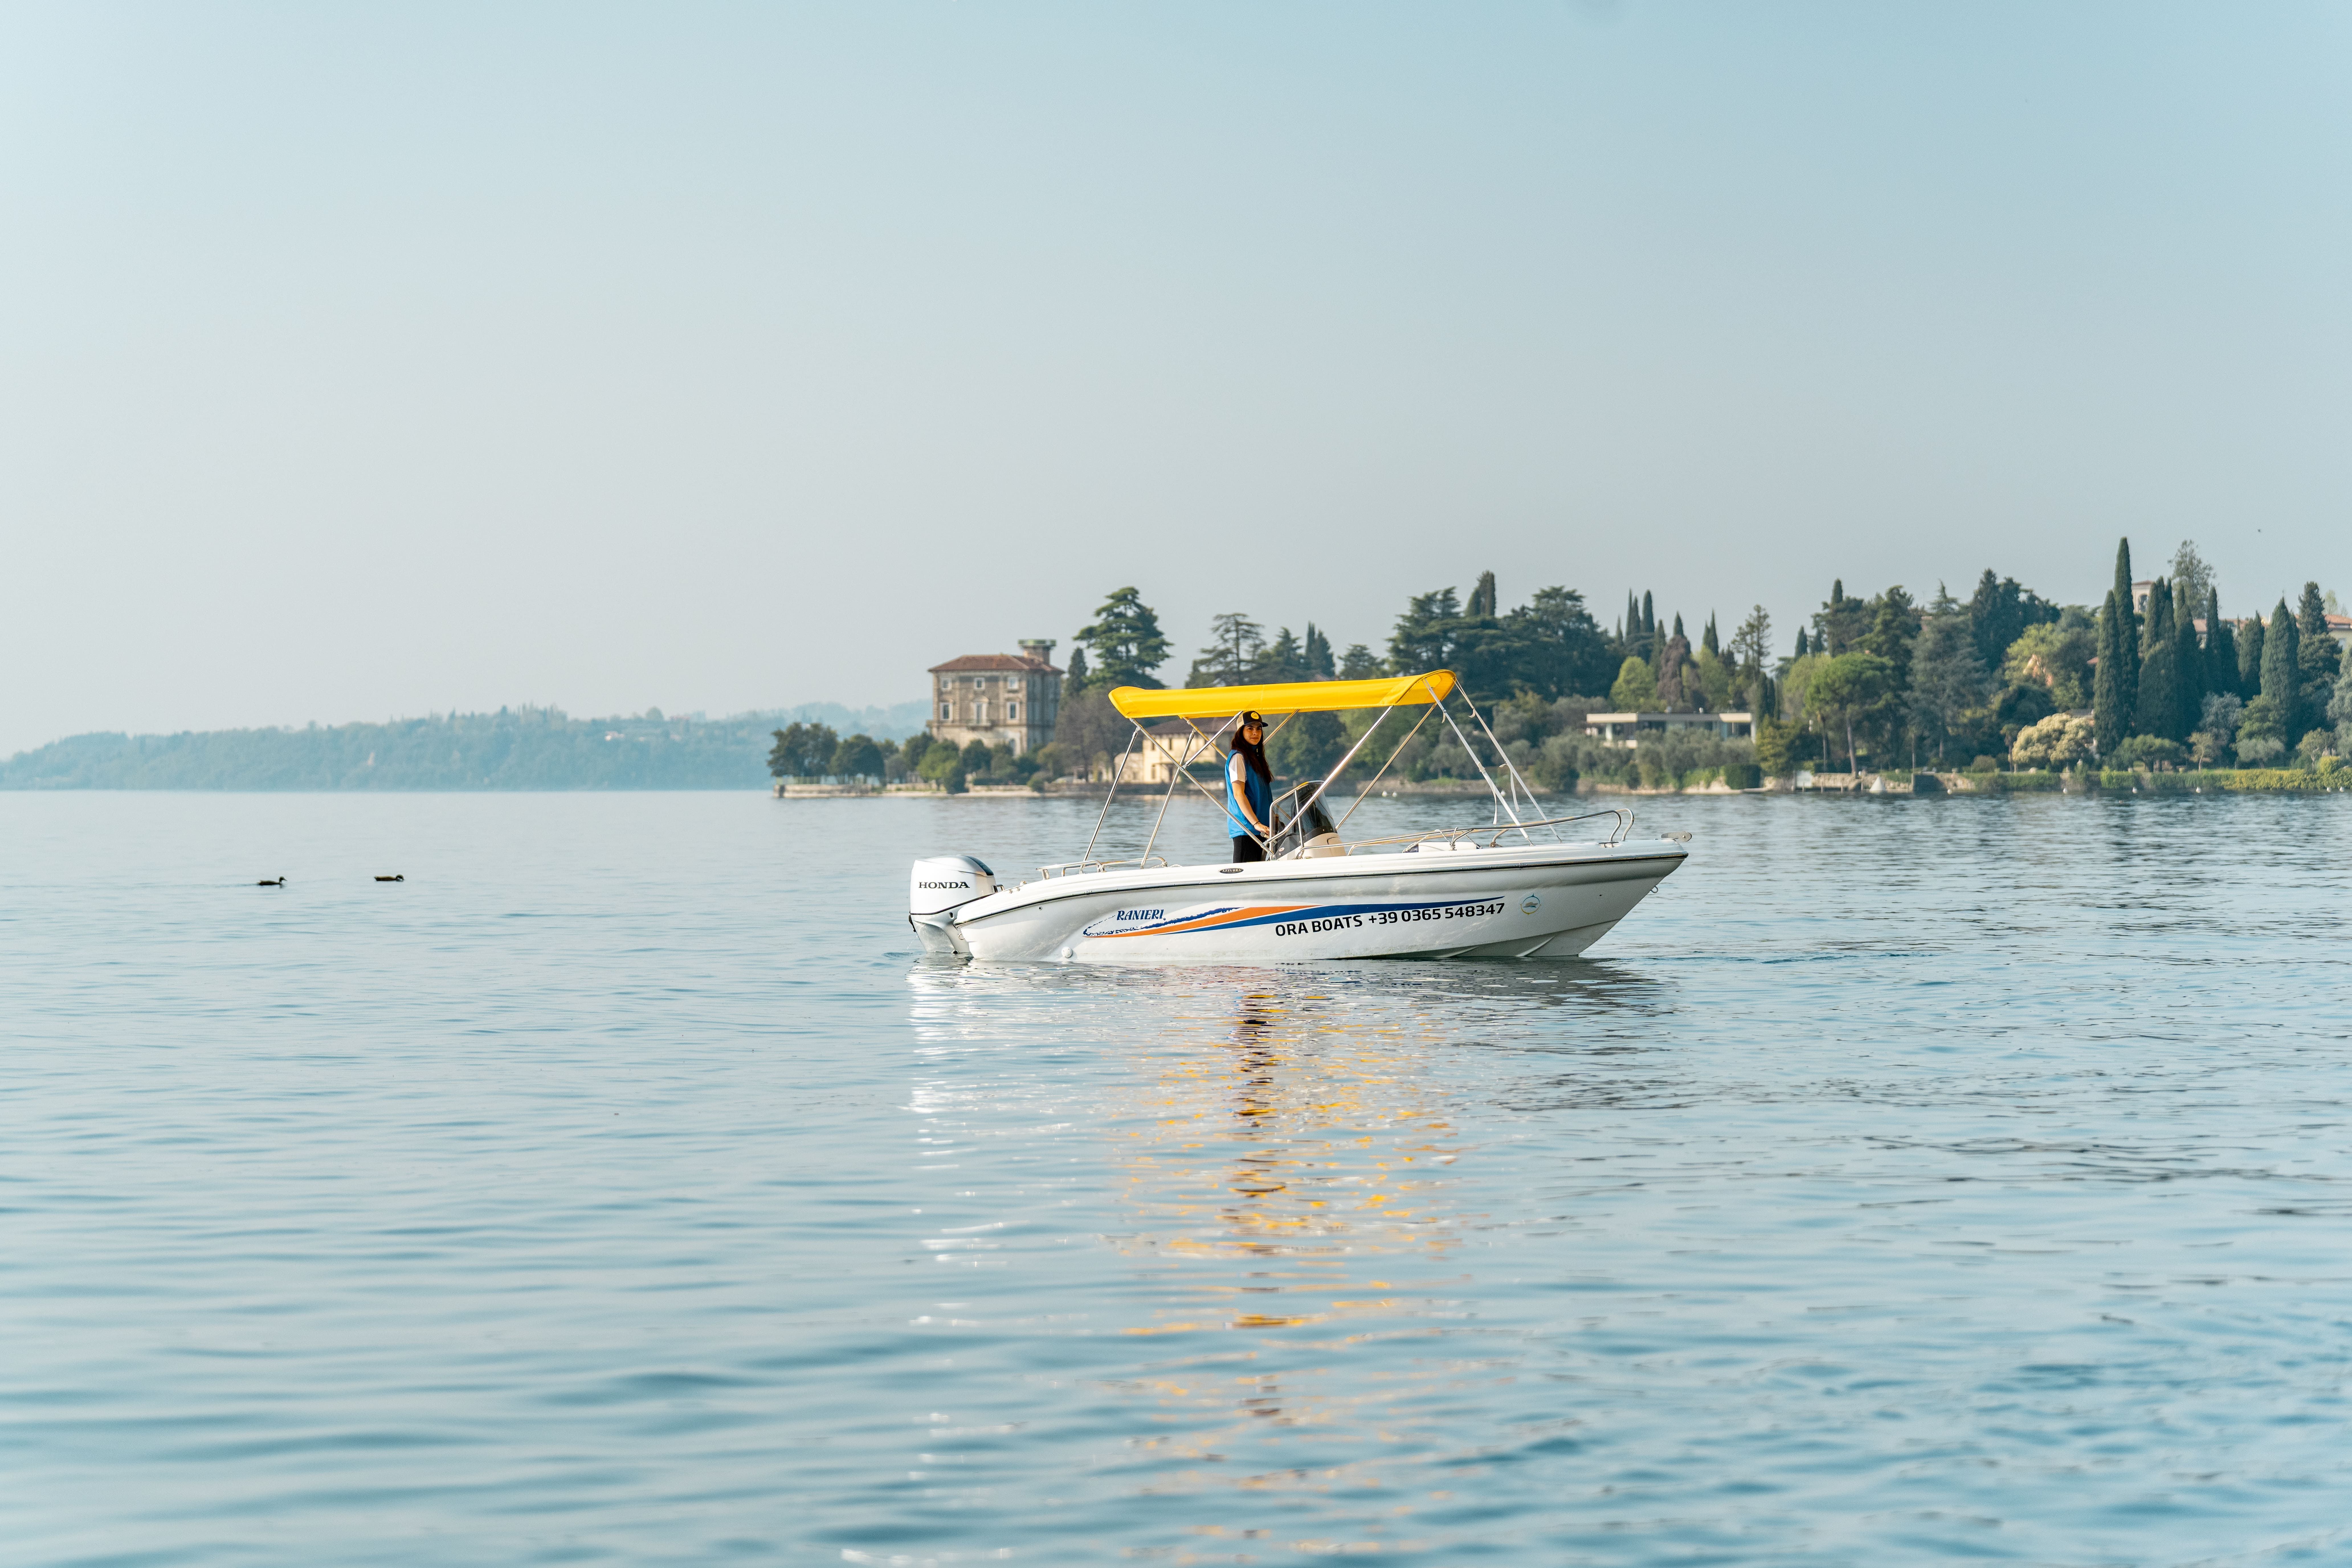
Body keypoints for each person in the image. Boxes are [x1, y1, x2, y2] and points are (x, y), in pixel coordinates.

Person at [1224, 710, 1274, 862]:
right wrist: (1256, 823)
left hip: (1262, 830)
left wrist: (1274, 821)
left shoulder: (1256, 759)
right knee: (1245, 875)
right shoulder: (1238, 757)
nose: (1256, 733)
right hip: (1247, 830)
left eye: (1259, 729)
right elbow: (1239, 794)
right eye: (1250, 729)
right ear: (1241, 732)